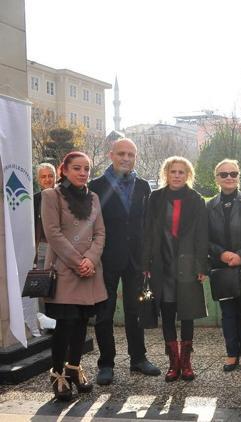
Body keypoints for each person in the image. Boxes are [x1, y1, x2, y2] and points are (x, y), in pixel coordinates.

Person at [89, 138, 160, 385]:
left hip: (137, 260)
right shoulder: (96, 186)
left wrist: (148, 258)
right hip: (106, 258)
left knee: (135, 310)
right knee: (104, 312)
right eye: (121, 153)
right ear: (111, 155)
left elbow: (147, 225)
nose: (126, 158)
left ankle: (138, 358)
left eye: (131, 154)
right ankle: (106, 363)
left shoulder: (143, 186)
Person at [41, 151, 106, 401]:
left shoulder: (94, 197)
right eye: (77, 168)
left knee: (81, 323)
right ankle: (58, 374)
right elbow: (53, 234)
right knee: (64, 325)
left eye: (86, 169)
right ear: (64, 170)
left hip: (90, 270)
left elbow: (100, 233)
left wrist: (91, 259)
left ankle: (74, 368)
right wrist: (79, 262)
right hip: (65, 269)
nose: (82, 173)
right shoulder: (51, 196)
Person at [142, 156, 208, 382]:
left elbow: (202, 235)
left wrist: (201, 265)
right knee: (168, 313)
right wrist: (146, 263)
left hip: (188, 265)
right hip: (163, 265)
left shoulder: (196, 199)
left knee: (187, 313)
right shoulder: (156, 198)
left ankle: (187, 362)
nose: (177, 175)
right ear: (166, 174)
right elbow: (148, 231)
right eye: (173, 172)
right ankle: (173, 362)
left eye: (181, 172)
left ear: (188, 175)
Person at [207, 159, 241, 373]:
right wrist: (222, 254)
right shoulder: (209, 206)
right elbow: (205, 237)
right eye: (223, 174)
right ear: (217, 178)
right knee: (228, 314)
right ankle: (232, 354)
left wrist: (240, 255)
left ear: (239, 176)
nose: (229, 177)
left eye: (233, 173)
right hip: (222, 269)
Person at [28, 163, 57, 337]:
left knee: (61, 286)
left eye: (50, 176)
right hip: (43, 246)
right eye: (43, 176)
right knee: (42, 287)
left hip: (62, 248)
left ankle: (62, 322)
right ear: (39, 180)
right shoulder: (35, 199)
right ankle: (47, 324)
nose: (47, 179)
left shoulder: (63, 195)